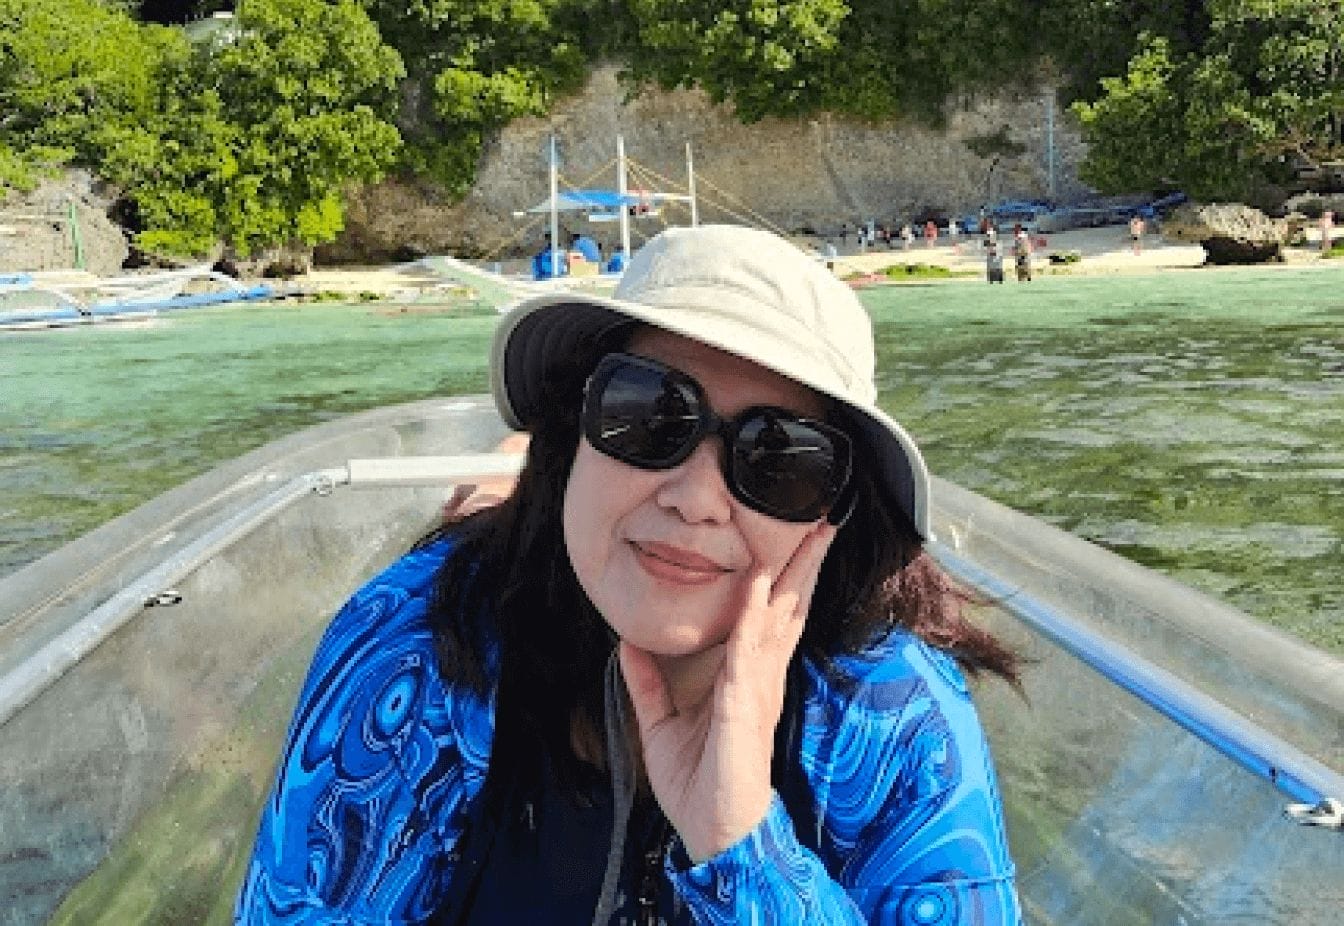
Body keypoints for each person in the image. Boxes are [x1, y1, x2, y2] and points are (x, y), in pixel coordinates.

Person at [235, 225, 1022, 924]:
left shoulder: (895, 725)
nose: (695, 499)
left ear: (833, 515)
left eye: (779, 459)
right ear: (571, 431)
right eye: (648, 416)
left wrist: (743, 842)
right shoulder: (420, 644)